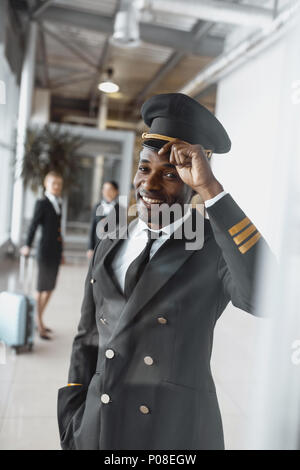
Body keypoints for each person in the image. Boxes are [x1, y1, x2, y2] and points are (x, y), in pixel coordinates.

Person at [57, 93, 271, 450]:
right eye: (144, 169)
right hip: (97, 427)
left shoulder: (212, 248)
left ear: (192, 180)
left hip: (172, 432)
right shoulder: (111, 242)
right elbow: (88, 335)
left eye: (170, 174)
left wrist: (212, 191)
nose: (150, 186)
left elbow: (264, 297)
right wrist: (74, 411)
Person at [20, 171, 64, 340]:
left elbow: (57, 229)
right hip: (44, 251)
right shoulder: (42, 203)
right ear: (46, 184)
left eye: (59, 184)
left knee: (50, 288)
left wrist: (62, 250)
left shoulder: (57, 202)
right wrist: (27, 245)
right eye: (54, 184)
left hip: (55, 250)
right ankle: (38, 324)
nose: (57, 187)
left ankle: (38, 320)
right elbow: (33, 225)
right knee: (41, 288)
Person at [86, 181, 120, 260]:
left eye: (110, 189)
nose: (106, 192)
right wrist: (90, 247)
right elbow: (93, 227)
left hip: (112, 247)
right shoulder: (97, 206)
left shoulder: (120, 209)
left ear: (116, 191)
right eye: (104, 189)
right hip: (97, 246)